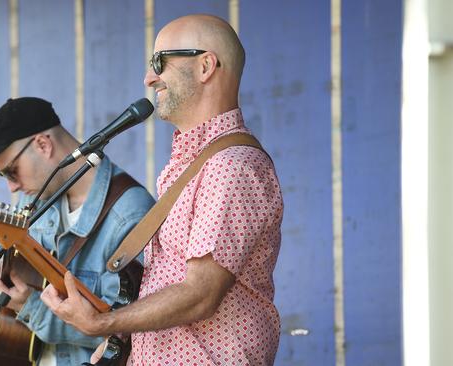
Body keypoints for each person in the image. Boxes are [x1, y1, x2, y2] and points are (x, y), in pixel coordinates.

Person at [41, 14, 284, 366]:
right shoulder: (191, 166)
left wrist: (103, 322)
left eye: (160, 62)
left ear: (206, 66)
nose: (149, 77)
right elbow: (168, 285)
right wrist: (118, 343)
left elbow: (200, 295)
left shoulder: (230, 166)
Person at [0, 97, 155, 366]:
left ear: (43, 144)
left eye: (11, 172)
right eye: (2, 176)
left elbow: (127, 331)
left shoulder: (130, 214)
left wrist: (29, 308)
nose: (11, 188)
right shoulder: (38, 198)